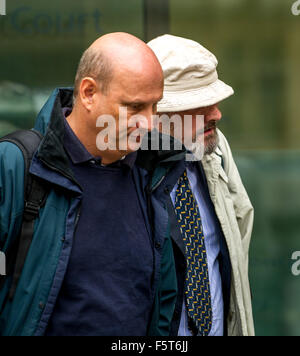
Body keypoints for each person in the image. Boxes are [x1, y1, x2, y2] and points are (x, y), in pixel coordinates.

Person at [0, 32, 186, 336]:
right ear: (88, 93)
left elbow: (162, 301)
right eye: (135, 106)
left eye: (155, 106)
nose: (150, 122)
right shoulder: (15, 166)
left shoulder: (152, 175)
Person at [148, 34, 255, 336]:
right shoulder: (124, 168)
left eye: (215, 101)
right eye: (201, 104)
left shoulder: (216, 149)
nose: (217, 114)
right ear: (158, 113)